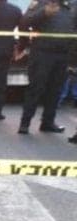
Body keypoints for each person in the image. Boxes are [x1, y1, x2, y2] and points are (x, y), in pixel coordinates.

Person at [17, 0, 74, 134]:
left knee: (55, 90)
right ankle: (25, 123)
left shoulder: (71, 6)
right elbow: (24, 23)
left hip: (63, 55)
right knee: (35, 88)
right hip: (42, 54)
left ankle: (47, 122)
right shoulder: (41, 4)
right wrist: (43, 13)